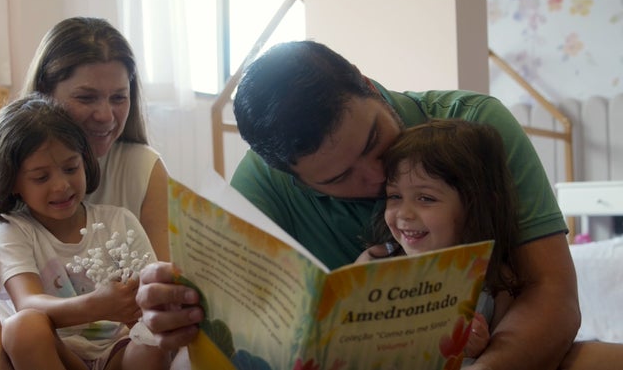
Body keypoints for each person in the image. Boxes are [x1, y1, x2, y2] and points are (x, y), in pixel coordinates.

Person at [135, 40, 581, 370]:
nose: (375, 176)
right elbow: (232, 324)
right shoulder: (264, 182)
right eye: (338, 178)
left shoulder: (476, 127)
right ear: (292, 177)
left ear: (368, 85)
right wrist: (179, 308)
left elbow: (553, 292)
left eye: (374, 141)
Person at [0, 17, 169, 370]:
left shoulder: (144, 168)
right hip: (7, 342)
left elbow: (159, 294)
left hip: (113, 347)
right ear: (44, 94)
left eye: (118, 98)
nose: (105, 115)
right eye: (86, 97)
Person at [0, 94, 169, 369]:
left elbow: (152, 295)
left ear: (85, 161)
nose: (61, 186)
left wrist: (140, 307)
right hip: (60, 355)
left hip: (120, 351)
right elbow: (27, 302)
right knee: (22, 327)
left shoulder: (118, 222)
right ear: (13, 182)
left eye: (70, 168)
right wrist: (99, 305)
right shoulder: (14, 229)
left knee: (156, 333)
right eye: (41, 177)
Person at [355, 119, 524, 363]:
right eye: (394, 196)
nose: (404, 213)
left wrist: (479, 345)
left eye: (425, 198)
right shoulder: (374, 262)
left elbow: (511, 354)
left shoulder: (497, 281)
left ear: (476, 205)